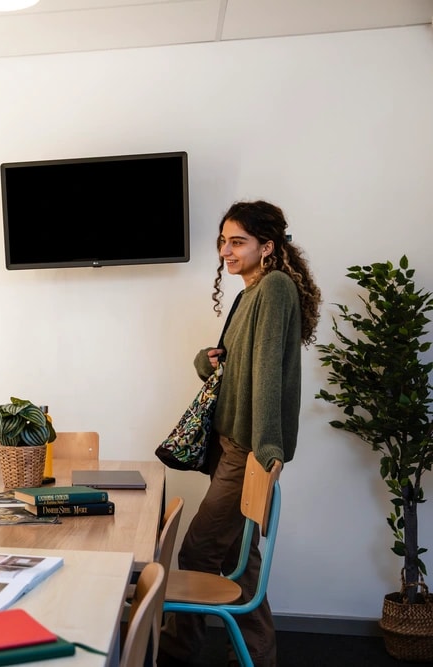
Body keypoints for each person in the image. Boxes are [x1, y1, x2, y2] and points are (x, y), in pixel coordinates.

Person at [159, 200, 321, 667]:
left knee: (197, 552)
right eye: (223, 241)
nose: (225, 251)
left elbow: (268, 371)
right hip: (232, 444)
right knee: (240, 564)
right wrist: (204, 362)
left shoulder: (272, 288)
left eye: (237, 242)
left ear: (267, 247)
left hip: (247, 449)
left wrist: (266, 445)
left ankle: (173, 652)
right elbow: (242, 368)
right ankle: (254, 658)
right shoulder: (251, 292)